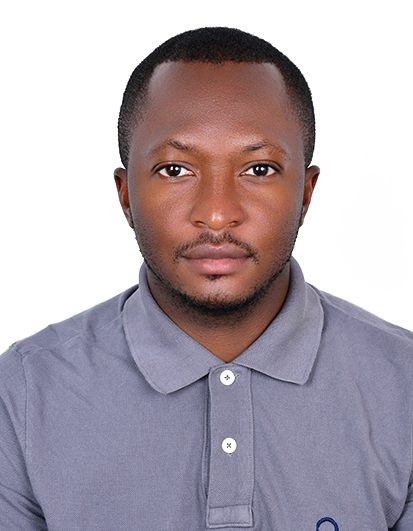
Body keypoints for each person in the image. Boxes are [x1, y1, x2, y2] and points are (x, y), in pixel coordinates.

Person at [0, 27, 412, 531]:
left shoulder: (404, 386)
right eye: (175, 170)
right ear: (126, 194)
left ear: (306, 193)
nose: (217, 214)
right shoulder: (23, 394)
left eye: (259, 169)